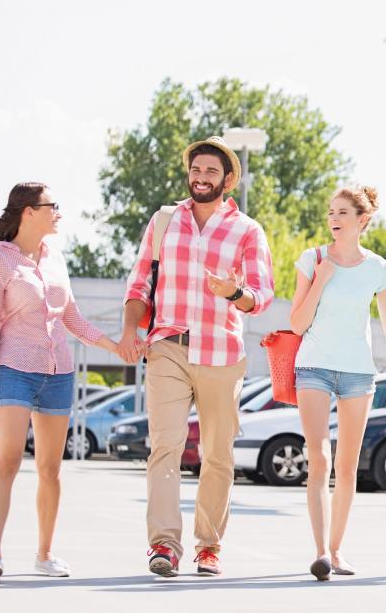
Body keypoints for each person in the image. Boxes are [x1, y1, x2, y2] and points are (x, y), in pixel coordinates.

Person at [119, 136, 274, 578]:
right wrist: (131, 330)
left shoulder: (247, 230)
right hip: (168, 346)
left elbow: (261, 296)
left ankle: (209, 546)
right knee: (164, 448)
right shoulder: (165, 220)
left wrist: (234, 292)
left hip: (221, 353)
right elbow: (138, 284)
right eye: (196, 169)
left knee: (217, 454)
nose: (200, 177)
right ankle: (164, 546)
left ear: (227, 179)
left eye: (211, 171)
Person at [0, 183, 121, 582]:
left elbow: (71, 317)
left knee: (50, 469)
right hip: (14, 371)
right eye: (51, 205)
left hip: (59, 373)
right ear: (28, 212)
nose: (58, 212)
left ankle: (45, 554)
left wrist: (114, 345)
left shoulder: (55, 260)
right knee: (7, 460)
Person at [288, 186, 386, 581]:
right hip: (313, 366)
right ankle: (319, 553)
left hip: (357, 373)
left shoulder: (379, 270)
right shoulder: (312, 259)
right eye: (331, 211)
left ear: (362, 220)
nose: (334, 218)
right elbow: (297, 323)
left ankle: (336, 550)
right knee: (319, 459)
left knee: (348, 466)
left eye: (343, 212)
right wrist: (320, 279)